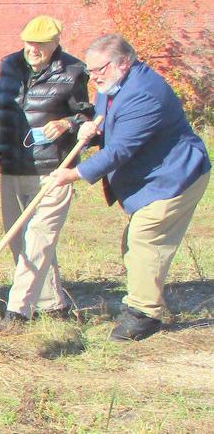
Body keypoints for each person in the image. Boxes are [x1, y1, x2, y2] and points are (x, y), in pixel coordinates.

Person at [51, 34, 210, 341]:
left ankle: (144, 315)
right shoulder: (111, 85)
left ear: (123, 63)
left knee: (146, 236)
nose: (93, 76)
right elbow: (108, 121)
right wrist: (86, 127)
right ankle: (145, 299)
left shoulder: (144, 94)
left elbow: (120, 150)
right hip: (155, 175)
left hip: (176, 176)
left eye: (99, 70)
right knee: (136, 243)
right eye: (90, 70)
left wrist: (72, 174)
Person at [0, 16, 94, 329]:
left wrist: (68, 124)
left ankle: (17, 312)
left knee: (38, 239)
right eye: (28, 42)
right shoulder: (9, 66)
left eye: (41, 44)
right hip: (13, 166)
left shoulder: (73, 71)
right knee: (19, 241)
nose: (33, 49)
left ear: (56, 42)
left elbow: (87, 116)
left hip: (53, 169)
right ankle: (52, 303)